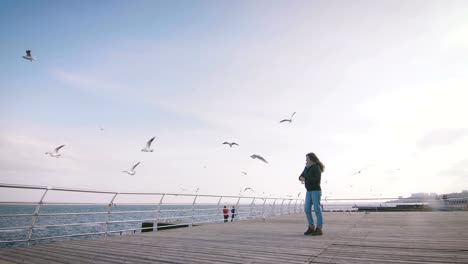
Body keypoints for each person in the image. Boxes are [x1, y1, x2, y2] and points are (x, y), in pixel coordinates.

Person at [298, 152, 324, 236]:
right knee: (306, 209)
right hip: (308, 191)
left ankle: (319, 229)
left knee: (317, 209)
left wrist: (305, 178)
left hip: (316, 190)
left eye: (307, 158)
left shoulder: (316, 167)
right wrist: (301, 178)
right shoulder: (306, 168)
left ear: (311, 159)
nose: (306, 160)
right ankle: (311, 227)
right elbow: (300, 177)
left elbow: (316, 180)